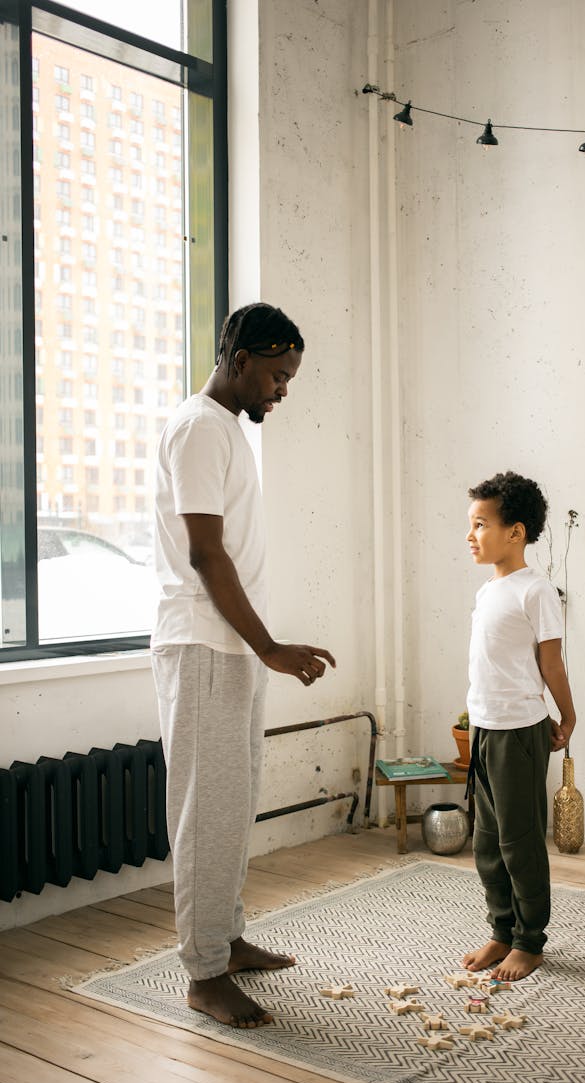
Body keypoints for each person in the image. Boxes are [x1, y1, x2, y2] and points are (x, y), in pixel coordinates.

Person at [151, 302, 335, 1028]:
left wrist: (261, 647)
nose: (282, 391)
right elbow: (204, 554)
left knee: (234, 800)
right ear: (237, 358)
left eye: (288, 378)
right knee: (206, 810)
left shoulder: (226, 430)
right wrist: (269, 646)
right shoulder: (199, 427)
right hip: (202, 644)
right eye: (276, 376)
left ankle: (223, 939)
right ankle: (201, 973)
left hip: (230, 644)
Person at [461, 471, 575, 982]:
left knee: (519, 841)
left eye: (481, 524)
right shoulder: (489, 592)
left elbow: (551, 665)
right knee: (486, 841)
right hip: (485, 728)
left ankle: (530, 941)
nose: (471, 535)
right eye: (471, 524)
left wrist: (567, 715)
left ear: (516, 532)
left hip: (519, 734)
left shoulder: (536, 590)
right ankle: (501, 931)